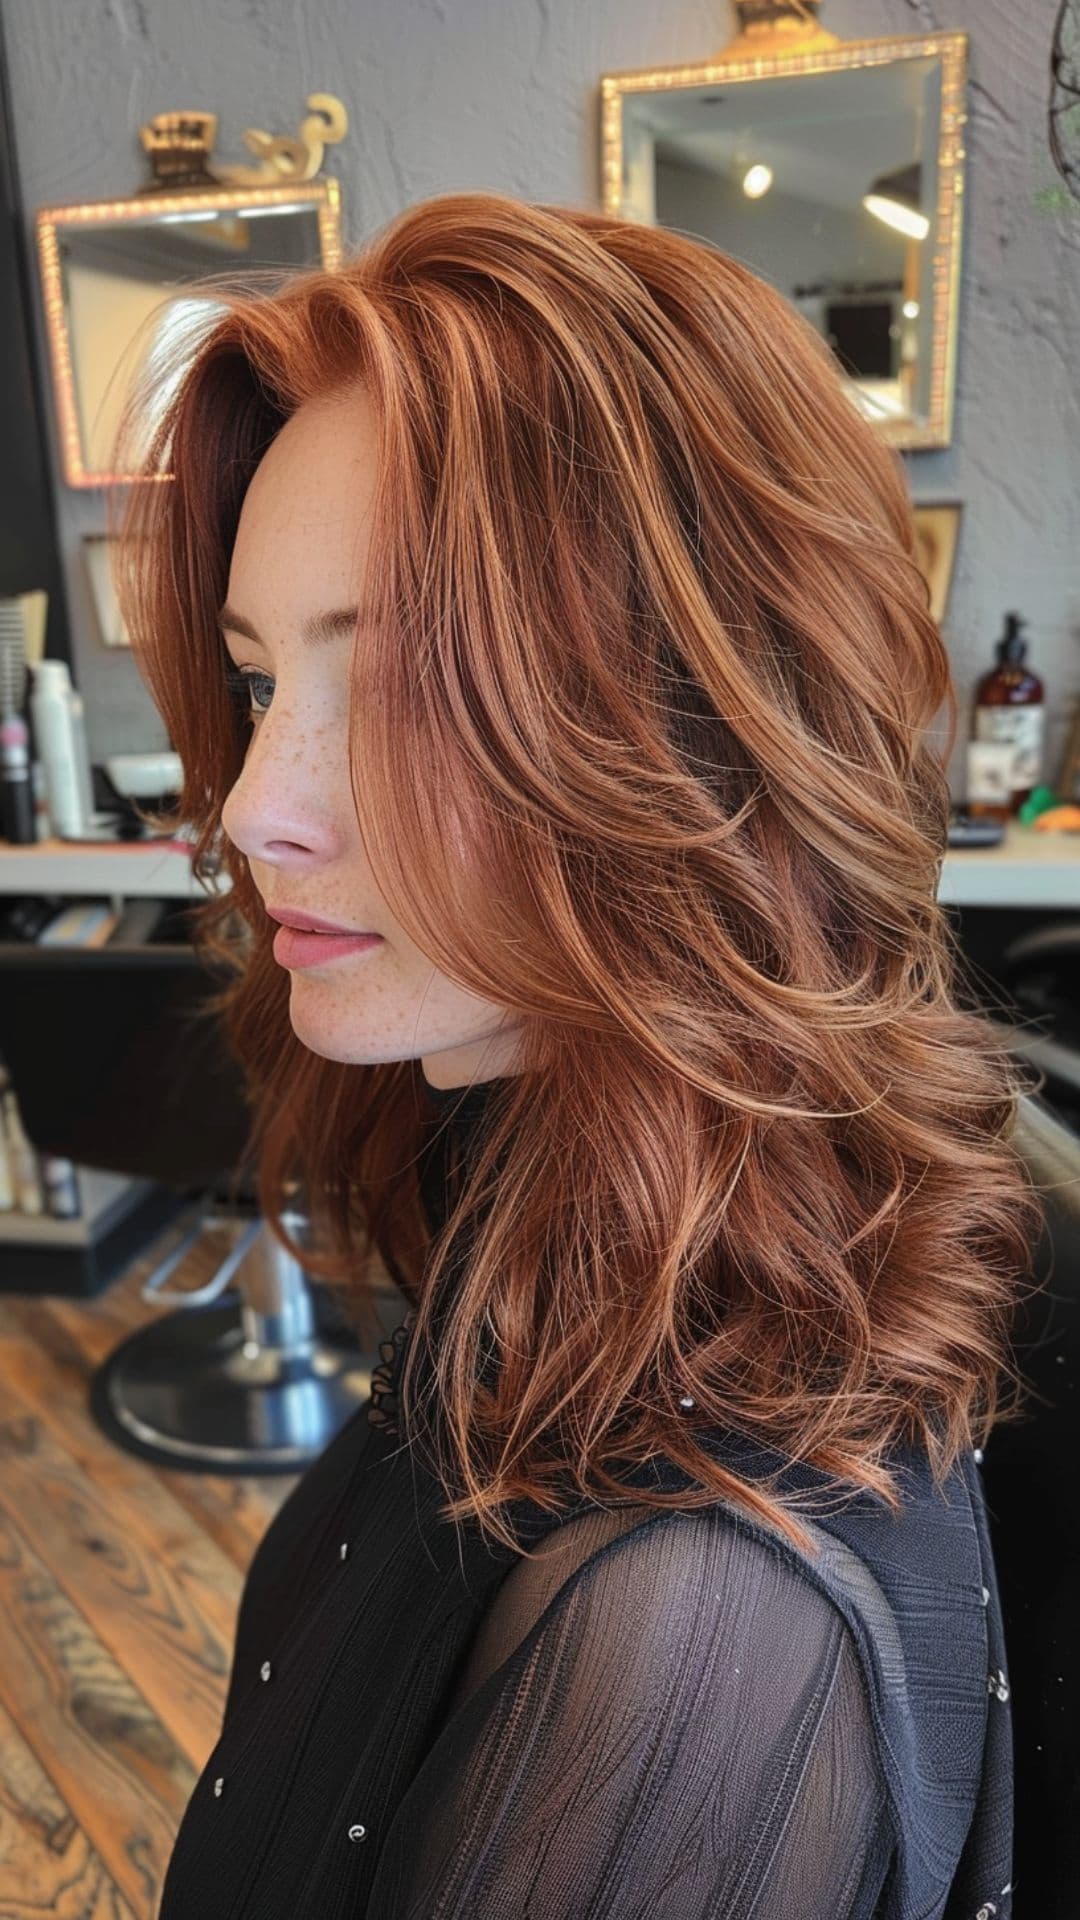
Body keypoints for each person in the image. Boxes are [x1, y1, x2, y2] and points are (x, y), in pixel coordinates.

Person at [111, 189, 1044, 1919]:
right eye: (256, 686)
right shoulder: (542, 1187)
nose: (253, 811)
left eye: (395, 692)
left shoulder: (687, 1635)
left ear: (691, 733)